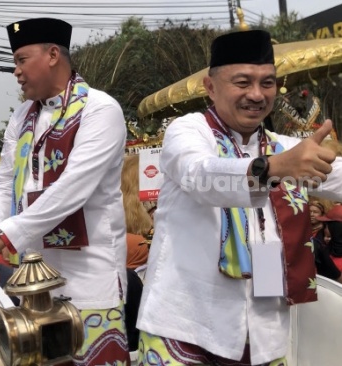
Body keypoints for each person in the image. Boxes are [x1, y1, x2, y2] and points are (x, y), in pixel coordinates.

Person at [136, 30, 342, 365]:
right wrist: (273, 168)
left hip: (262, 328)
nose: (257, 95)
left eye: (268, 83)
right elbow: (200, 175)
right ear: (211, 87)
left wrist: (281, 162)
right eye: (243, 82)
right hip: (185, 324)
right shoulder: (187, 132)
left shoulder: (283, 147)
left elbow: (337, 173)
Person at [0, 17, 129, 365]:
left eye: (21, 60)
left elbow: (73, 188)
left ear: (53, 55)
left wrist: (1, 235)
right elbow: (3, 181)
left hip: (89, 279)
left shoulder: (100, 110)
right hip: (30, 279)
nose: (16, 71)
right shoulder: (22, 117)